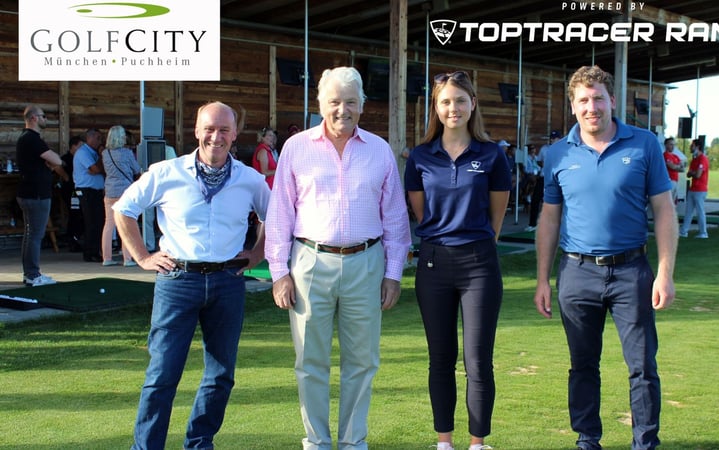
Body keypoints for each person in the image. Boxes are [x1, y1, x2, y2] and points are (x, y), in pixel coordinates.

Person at [264, 66, 411, 450]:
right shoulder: (296, 148)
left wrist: (393, 273)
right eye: (334, 101)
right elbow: (280, 212)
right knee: (310, 362)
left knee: (362, 362)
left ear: (362, 105)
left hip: (367, 262)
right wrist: (279, 272)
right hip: (310, 262)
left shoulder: (379, 150)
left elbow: (395, 216)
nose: (342, 109)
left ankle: (353, 443)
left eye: (350, 101)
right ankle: (316, 442)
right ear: (320, 104)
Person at [533, 65, 677, 450]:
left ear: (612, 100)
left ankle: (645, 443)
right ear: (573, 105)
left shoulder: (644, 143)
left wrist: (664, 272)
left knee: (643, 366)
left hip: (632, 272)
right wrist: (542, 279)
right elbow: (549, 218)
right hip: (577, 273)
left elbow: (664, 209)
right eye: (583, 100)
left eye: (598, 98)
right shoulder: (558, 153)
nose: (591, 106)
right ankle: (587, 439)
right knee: (582, 365)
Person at [113, 101, 270, 450]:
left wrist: (258, 252)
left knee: (220, 375)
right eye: (210, 129)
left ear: (235, 134)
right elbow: (123, 210)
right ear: (197, 131)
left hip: (228, 282)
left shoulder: (250, 179)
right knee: (162, 376)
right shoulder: (166, 172)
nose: (217, 136)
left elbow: (273, 217)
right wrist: (142, 256)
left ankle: (199, 443)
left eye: (224, 130)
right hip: (177, 281)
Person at [404, 70, 510, 450]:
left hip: (479, 263)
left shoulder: (492, 154)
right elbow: (421, 215)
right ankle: (444, 442)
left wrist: (473, 243)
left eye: (460, 100)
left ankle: (478, 444)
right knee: (441, 358)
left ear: (473, 104)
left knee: (478, 361)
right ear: (436, 107)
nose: (454, 108)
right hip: (434, 264)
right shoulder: (419, 157)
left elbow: (497, 216)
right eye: (446, 101)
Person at [15, 105, 68, 286]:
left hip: (32, 193)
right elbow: (56, 160)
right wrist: (55, 160)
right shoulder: (32, 138)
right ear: (34, 118)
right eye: (43, 116)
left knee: (31, 234)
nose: (46, 119)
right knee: (34, 235)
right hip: (35, 194)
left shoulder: (28, 139)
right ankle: (32, 274)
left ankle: (30, 273)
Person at [101, 125, 141, 266]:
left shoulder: (105, 153)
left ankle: (107, 258)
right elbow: (136, 169)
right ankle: (127, 258)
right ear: (120, 137)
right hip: (124, 190)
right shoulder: (126, 153)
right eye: (123, 134)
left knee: (109, 224)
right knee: (126, 223)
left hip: (110, 190)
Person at [73, 128, 105, 262]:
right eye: (98, 138)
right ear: (90, 138)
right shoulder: (83, 153)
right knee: (91, 221)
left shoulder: (93, 152)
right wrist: (102, 156)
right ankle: (89, 252)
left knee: (98, 221)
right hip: (87, 190)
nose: (100, 141)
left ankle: (96, 250)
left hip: (96, 190)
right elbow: (95, 169)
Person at [679, 138, 709, 239]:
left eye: (692, 146)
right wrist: (693, 173)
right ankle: (684, 231)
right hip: (693, 189)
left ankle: (703, 232)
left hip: (700, 189)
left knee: (700, 211)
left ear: (697, 146)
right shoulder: (694, 160)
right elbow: (689, 174)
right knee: (688, 211)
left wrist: (693, 173)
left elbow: (698, 175)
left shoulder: (702, 159)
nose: (690, 147)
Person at [62, 135, 85, 252]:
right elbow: (57, 166)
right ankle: (71, 239)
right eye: (80, 146)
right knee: (74, 214)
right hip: (70, 191)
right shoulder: (66, 158)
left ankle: (77, 238)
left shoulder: (80, 157)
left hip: (79, 190)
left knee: (80, 214)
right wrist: (66, 178)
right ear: (74, 146)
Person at [523, 144, 543, 232]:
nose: (533, 151)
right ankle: (532, 224)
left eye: (533, 149)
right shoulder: (544, 149)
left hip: (551, 177)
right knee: (535, 200)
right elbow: (539, 163)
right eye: (531, 149)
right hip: (539, 176)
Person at [662, 137, 684, 205]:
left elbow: (682, 168)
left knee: (674, 201)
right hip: (668, 181)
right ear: (666, 145)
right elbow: (672, 166)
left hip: (675, 181)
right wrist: (677, 166)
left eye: (673, 144)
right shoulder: (665, 155)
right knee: (668, 202)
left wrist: (675, 166)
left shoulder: (675, 156)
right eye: (671, 144)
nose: (673, 146)